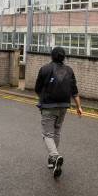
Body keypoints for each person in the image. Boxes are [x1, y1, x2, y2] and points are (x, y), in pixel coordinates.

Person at [34, 46, 84, 178]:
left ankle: (55, 156)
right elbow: (74, 91)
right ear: (64, 57)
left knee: (47, 134)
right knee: (57, 131)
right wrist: (79, 107)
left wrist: (43, 97)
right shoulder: (69, 70)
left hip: (48, 106)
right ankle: (52, 160)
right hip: (64, 106)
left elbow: (37, 88)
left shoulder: (45, 69)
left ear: (52, 56)